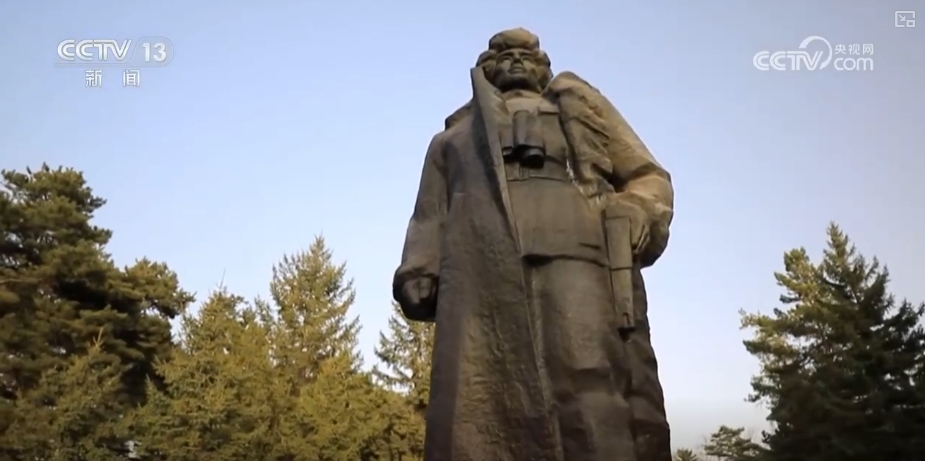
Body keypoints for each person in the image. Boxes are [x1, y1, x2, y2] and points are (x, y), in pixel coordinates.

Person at [393, 28, 675, 461]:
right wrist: (419, 266)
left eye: (527, 55)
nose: (516, 60)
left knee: (591, 377)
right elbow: (430, 213)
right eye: (504, 55)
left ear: (543, 68)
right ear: (487, 71)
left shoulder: (582, 110)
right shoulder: (452, 140)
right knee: (477, 397)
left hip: (580, 256)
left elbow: (647, 176)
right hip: (480, 267)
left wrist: (638, 209)